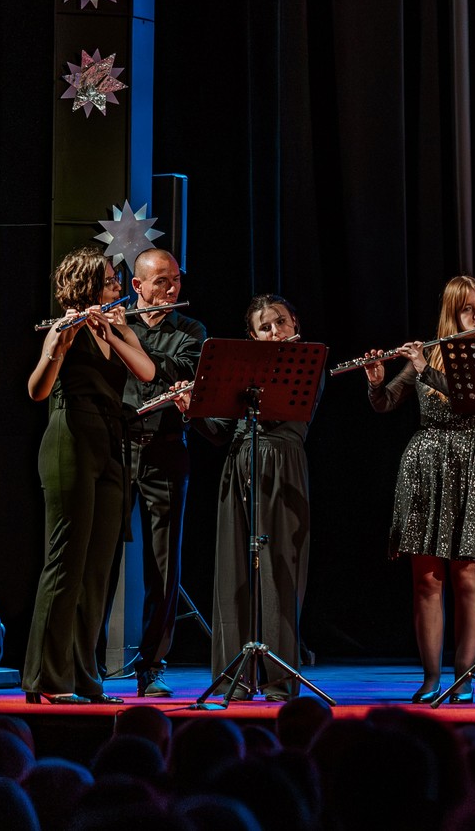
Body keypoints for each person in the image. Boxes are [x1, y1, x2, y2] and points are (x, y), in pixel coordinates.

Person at [24, 246, 155, 704]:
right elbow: (37, 390)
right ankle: (47, 679)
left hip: (110, 441)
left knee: (98, 570)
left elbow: (146, 371)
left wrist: (115, 333)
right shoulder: (63, 328)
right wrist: (55, 352)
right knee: (66, 562)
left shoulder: (116, 328)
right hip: (71, 437)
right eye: (111, 281)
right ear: (88, 286)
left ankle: (83, 677)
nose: (118, 287)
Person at [366, 275, 475, 703]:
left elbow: (472, 402)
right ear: (451, 316)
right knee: (426, 579)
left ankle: (464, 676)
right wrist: (376, 380)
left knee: (468, 575)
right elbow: (386, 403)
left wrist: (425, 369)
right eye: (466, 309)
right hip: (424, 467)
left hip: (472, 464)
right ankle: (430, 678)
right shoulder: (432, 353)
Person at [179, 294, 314, 701]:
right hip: (239, 465)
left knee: (279, 574)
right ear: (252, 337)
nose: (275, 332)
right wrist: (192, 409)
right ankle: (233, 679)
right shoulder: (241, 372)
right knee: (233, 571)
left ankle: (279, 679)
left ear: (295, 324)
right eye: (265, 328)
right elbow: (220, 432)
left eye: (281, 323)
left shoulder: (307, 362)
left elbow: (283, 414)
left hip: (281, 465)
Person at [116, 247, 207, 698]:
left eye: (176, 280)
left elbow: (175, 370)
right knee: (100, 560)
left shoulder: (190, 330)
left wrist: (125, 342)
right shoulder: (117, 324)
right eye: (161, 281)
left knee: (163, 567)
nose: (172, 288)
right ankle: (83, 663)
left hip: (166, 451)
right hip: (116, 451)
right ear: (138, 286)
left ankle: (151, 667)